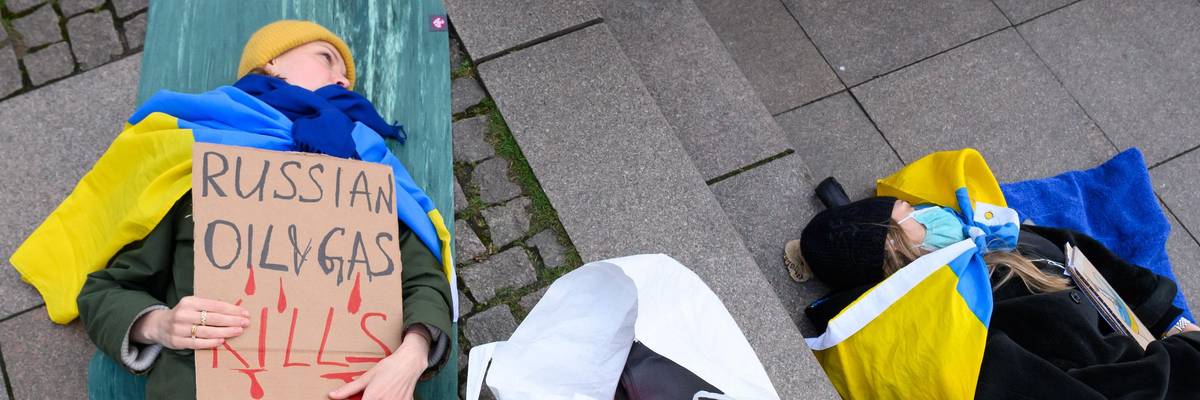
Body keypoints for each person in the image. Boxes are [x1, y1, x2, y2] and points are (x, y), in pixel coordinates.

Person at [75, 20, 451, 400]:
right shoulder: (197, 170)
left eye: (347, 76)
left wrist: (413, 354)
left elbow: (422, 277)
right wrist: (159, 324)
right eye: (328, 59)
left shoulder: (365, 172)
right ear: (270, 63)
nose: (343, 81)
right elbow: (106, 291)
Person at [787, 181, 1200, 398]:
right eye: (912, 214)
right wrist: (1178, 358)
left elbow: (1077, 248)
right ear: (897, 250)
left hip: (1152, 342)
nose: (930, 212)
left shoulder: (995, 237)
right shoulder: (973, 321)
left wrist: (1165, 315)